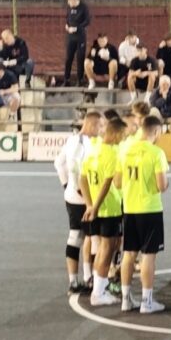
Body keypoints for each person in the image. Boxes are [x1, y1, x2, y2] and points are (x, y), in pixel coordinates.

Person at [113, 115, 170, 314]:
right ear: (157, 131)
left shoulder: (125, 150)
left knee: (128, 253)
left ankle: (126, 299)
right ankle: (147, 301)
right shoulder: (156, 153)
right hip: (150, 209)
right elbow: (162, 185)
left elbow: (117, 182)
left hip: (129, 208)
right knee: (148, 255)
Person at [82, 116, 127, 305]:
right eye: (123, 135)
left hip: (96, 208)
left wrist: (89, 205)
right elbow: (108, 184)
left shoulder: (93, 150)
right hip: (109, 208)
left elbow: (82, 179)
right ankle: (98, 293)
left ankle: (98, 288)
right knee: (107, 249)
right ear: (116, 134)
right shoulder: (112, 154)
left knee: (101, 248)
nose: (124, 138)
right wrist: (96, 206)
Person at [58, 112, 101, 295]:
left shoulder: (71, 140)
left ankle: (74, 281)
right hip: (84, 198)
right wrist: (78, 189)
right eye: (99, 126)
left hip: (71, 197)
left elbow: (58, 163)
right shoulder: (85, 144)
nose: (100, 130)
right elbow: (76, 168)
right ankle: (94, 280)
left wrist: (65, 185)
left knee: (75, 236)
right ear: (91, 125)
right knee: (95, 238)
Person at [63, 0, 90, 86]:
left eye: (70, 1)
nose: (69, 3)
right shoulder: (69, 8)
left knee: (80, 58)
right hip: (70, 37)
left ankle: (80, 80)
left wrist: (77, 28)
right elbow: (67, 18)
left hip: (80, 37)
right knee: (68, 58)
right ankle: (66, 80)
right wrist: (67, 25)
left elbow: (87, 21)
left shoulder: (84, 7)